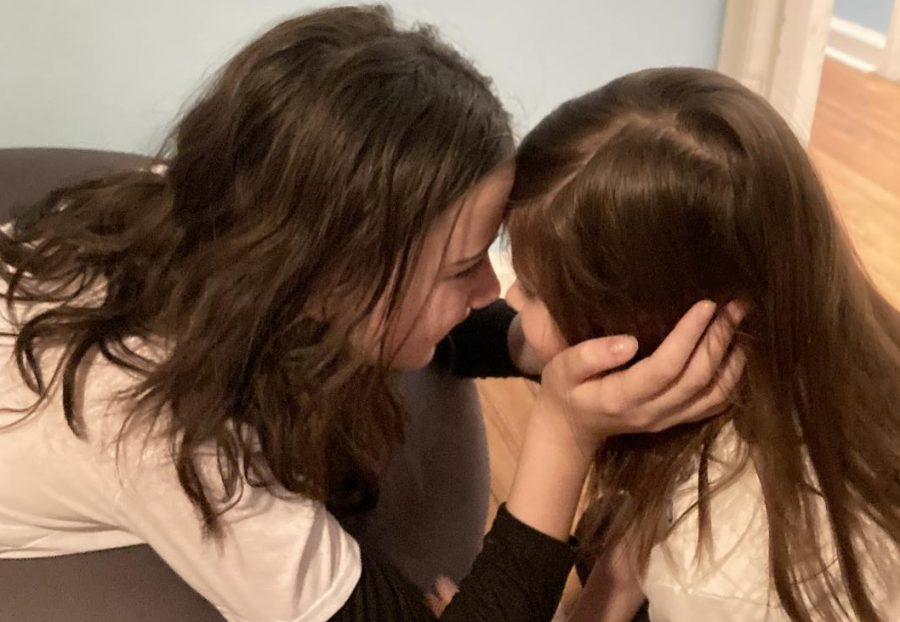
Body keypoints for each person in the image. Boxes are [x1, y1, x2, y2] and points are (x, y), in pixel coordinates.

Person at [0, 7, 741, 622]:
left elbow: (434, 319)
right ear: (330, 275)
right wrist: (564, 435)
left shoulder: (250, 222)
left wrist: (534, 344)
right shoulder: (174, 442)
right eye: (461, 268)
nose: (494, 288)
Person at [504, 67, 900, 622]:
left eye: (536, 292)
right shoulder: (817, 344)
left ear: (649, 337)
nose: (510, 297)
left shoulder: (711, 583)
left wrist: (562, 428)